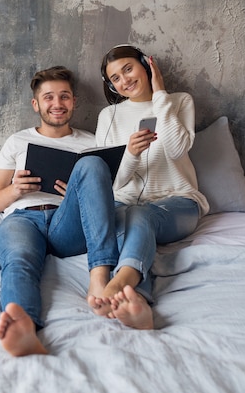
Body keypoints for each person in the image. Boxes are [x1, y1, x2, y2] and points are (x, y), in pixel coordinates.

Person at [0, 66, 142, 357]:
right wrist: (15, 190)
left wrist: (78, 191)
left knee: (93, 165)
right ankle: (25, 328)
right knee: (19, 260)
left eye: (64, 96)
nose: (57, 104)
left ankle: (99, 278)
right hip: (24, 219)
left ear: (74, 101)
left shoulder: (92, 141)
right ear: (36, 104)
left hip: (66, 223)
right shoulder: (17, 141)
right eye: (48, 98)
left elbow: (109, 194)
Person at [90, 44, 209, 321]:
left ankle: (121, 282)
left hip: (179, 203)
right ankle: (137, 301)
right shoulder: (108, 117)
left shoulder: (179, 101)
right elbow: (113, 183)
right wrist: (130, 154)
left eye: (128, 69)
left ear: (146, 65)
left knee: (140, 216)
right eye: (115, 78)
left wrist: (160, 94)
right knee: (130, 218)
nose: (124, 80)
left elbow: (178, 149)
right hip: (125, 203)